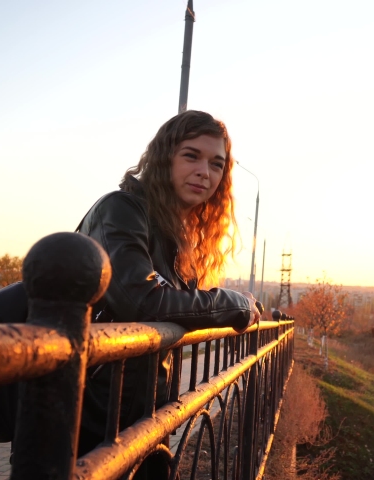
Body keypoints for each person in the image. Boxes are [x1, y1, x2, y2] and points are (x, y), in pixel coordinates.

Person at [76, 110, 260, 477]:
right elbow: (143, 301)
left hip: (138, 422)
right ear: (164, 158)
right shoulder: (121, 210)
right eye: (191, 156)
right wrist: (233, 302)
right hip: (83, 421)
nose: (204, 172)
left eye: (216, 164)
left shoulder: (174, 234)